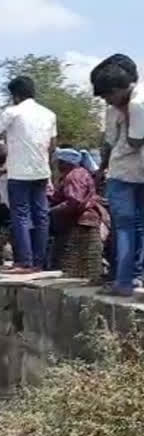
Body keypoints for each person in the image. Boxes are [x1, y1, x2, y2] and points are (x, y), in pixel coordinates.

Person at [0, 76, 57, 273]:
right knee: (41, 216)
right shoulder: (49, 114)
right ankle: (39, 261)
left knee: (20, 215)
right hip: (41, 170)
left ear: (15, 95)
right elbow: (52, 146)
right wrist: (49, 170)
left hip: (19, 171)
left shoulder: (12, 112)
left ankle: (25, 262)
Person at [91, 56, 144, 295]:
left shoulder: (133, 105)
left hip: (123, 173)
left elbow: (131, 141)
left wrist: (102, 168)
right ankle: (136, 277)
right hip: (135, 173)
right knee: (138, 227)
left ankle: (124, 281)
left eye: (106, 96)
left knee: (124, 228)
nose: (107, 101)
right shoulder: (127, 104)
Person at [49, 148, 108, 281]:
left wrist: (53, 210)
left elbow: (75, 201)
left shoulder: (73, 176)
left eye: (59, 163)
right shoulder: (81, 173)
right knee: (87, 264)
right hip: (87, 221)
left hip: (82, 223)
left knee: (77, 265)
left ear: (64, 163)